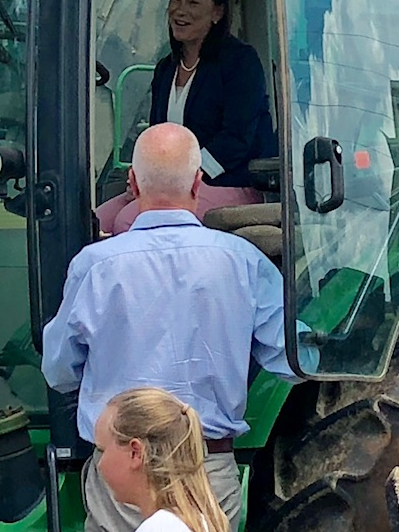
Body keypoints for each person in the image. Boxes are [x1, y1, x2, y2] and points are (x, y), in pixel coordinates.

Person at [43, 123, 293, 532]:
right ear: (198, 182)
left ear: (132, 182)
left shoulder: (94, 266)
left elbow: (58, 371)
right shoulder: (245, 262)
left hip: (121, 475)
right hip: (205, 473)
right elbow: (294, 358)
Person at [96, 0, 275, 234]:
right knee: (94, 221)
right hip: (171, 184)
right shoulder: (165, 69)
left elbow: (237, 139)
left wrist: (181, 177)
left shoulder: (240, 62)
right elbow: (157, 135)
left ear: (217, 12)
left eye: (193, 3)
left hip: (229, 182)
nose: (180, 10)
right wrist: (146, 176)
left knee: (128, 222)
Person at [91, 388, 227, 532]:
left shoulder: (161, 527)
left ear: (136, 453)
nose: (100, 465)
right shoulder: (198, 521)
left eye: (102, 450)